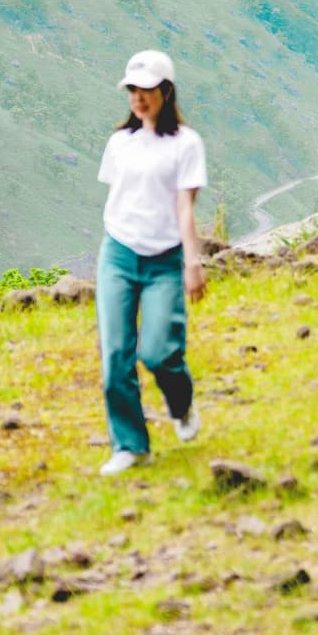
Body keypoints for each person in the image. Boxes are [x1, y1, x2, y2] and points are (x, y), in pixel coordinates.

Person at [94, 50, 207, 476]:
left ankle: (181, 404)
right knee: (116, 354)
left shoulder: (186, 144)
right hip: (119, 252)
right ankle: (130, 444)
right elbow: (118, 197)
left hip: (164, 258)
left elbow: (184, 206)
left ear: (165, 91)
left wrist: (192, 262)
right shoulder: (119, 143)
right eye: (132, 90)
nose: (138, 98)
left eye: (145, 90)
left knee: (160, 351)